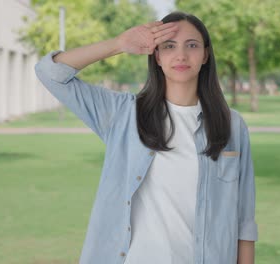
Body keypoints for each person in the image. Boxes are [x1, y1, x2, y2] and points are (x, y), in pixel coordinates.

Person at [35, 11, 257, 264]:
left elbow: (244, 222)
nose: (181, 55)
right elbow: (49, 73)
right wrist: (118, 44)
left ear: (205, 55)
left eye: (192, 45)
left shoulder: (232, 126)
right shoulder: (122, 115)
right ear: (157, 56)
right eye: (169, 46)